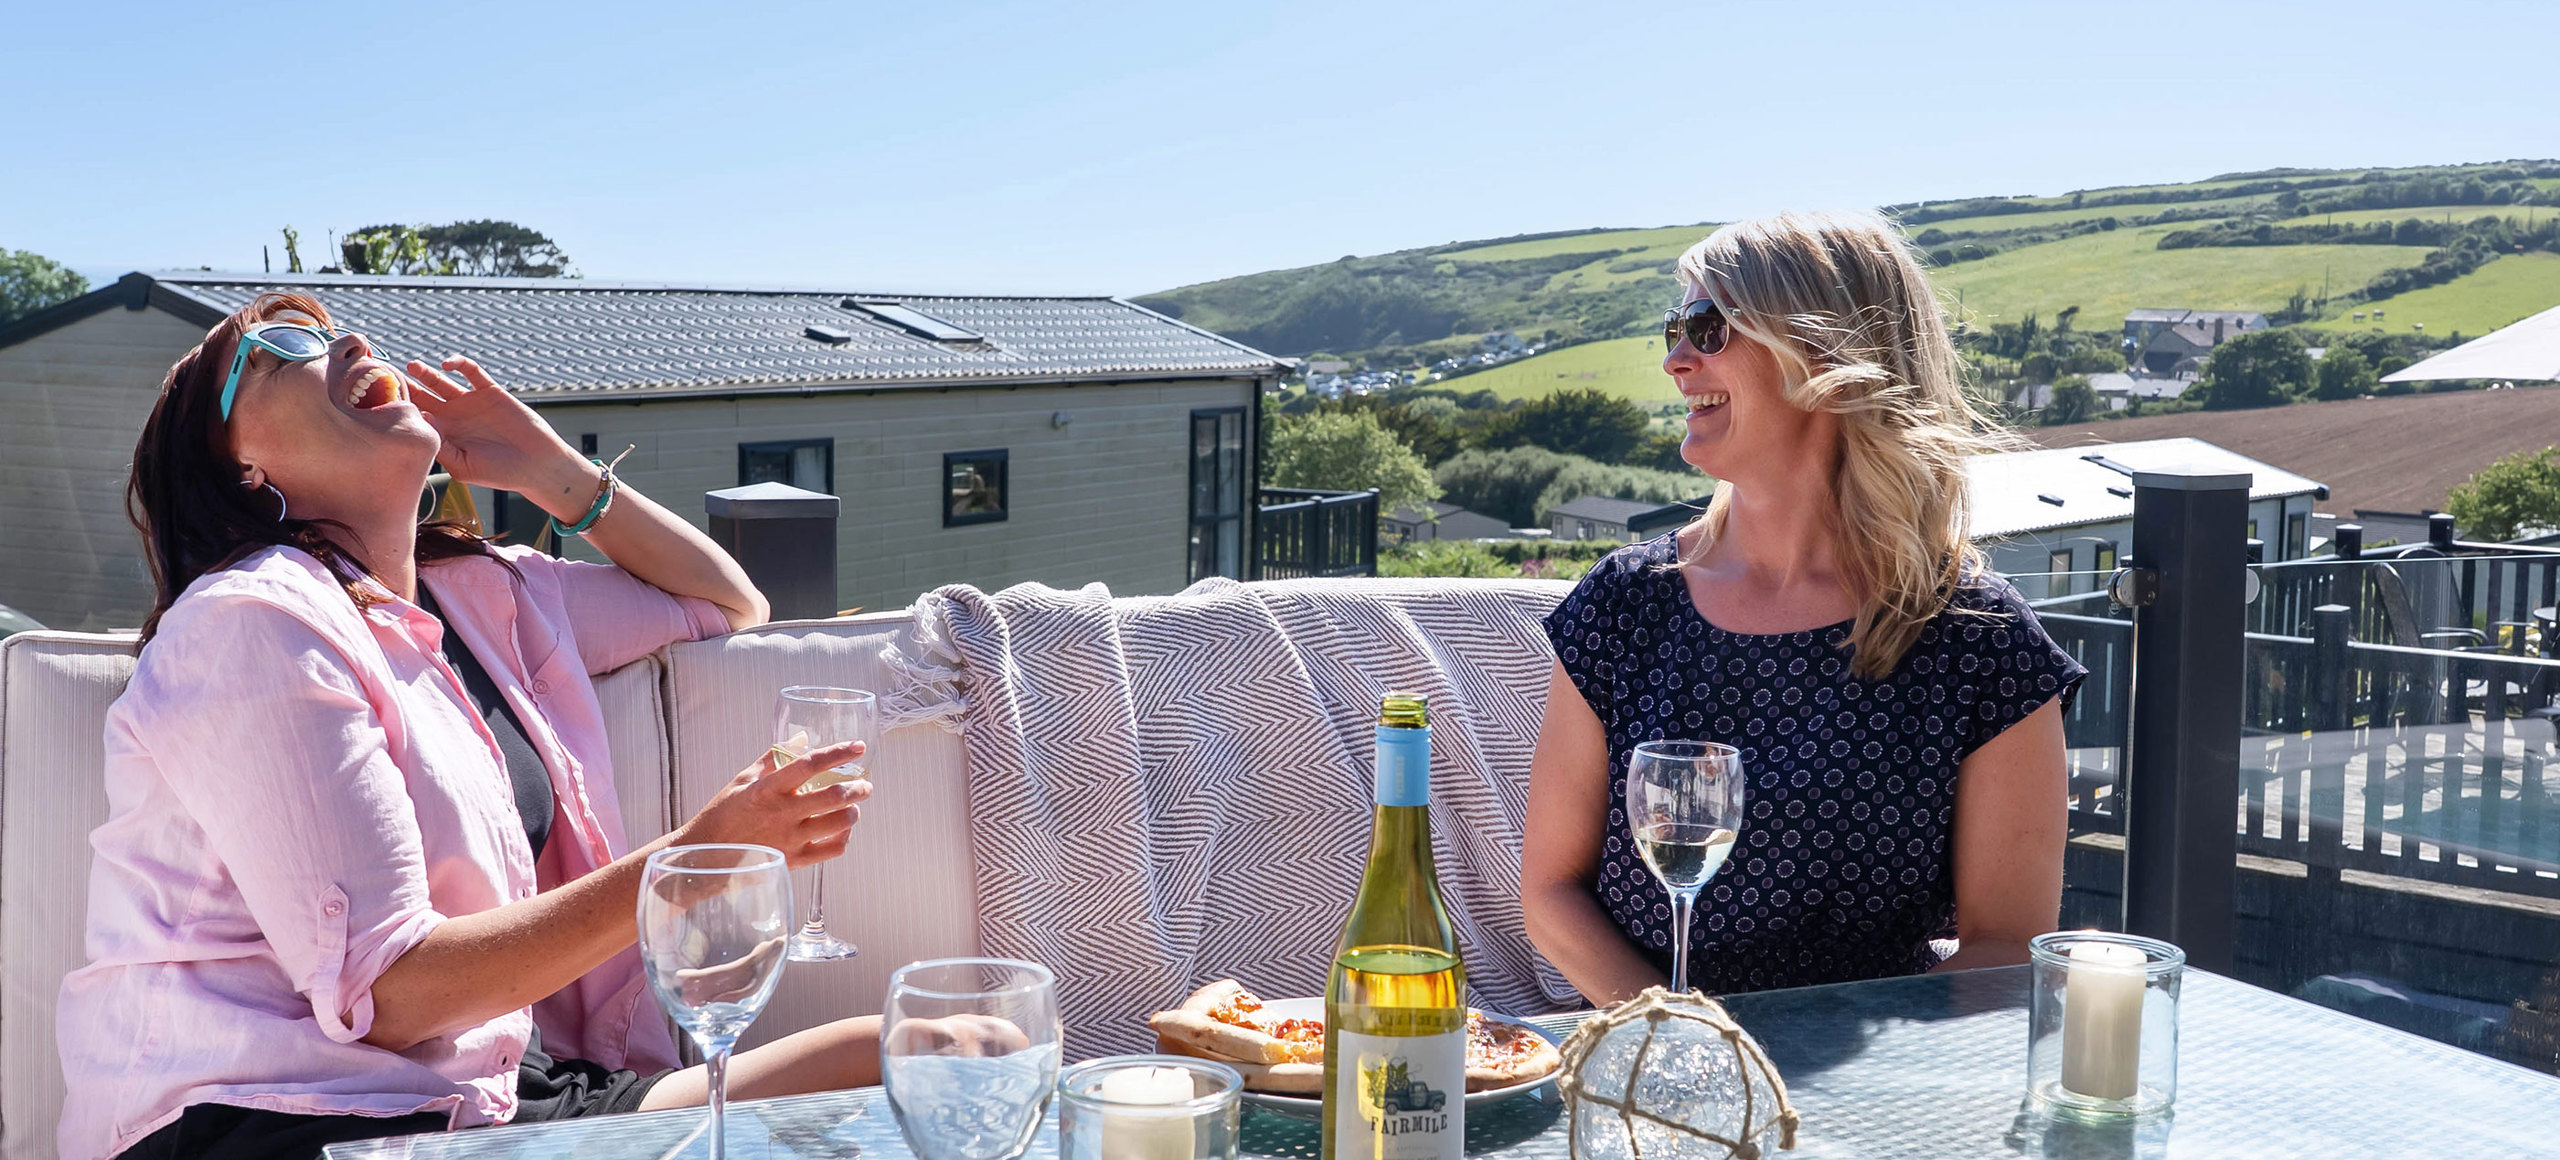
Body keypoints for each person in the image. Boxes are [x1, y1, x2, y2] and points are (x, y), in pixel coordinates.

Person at [59, 293, 882, 1160]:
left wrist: (544, 465)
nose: (346, 341)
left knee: (929, 1052)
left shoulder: (483, 599)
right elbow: (393, 995)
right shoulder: (249, 622)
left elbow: (725, 602)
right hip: (282, 1116)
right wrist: (696, 860)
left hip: (496, 1096)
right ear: (243, 468)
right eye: (284, 345)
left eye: (336, 327)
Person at [1521, 212, 2087, 1005]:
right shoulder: (1624, 605)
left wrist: (1799, 1059)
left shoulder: (1978, 642)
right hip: (1646, 1067)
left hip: (1868, 1100)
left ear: (1825, 356)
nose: (1674, 360)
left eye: (1708, 327)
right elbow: (1550, 893)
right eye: (1674, 326)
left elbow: (2001, 946)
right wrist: (1682, 1038)